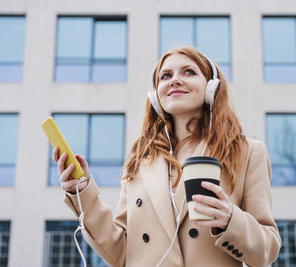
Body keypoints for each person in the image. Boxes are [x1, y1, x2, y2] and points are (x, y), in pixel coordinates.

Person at [53, 46, 281, 267]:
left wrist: (231, 220)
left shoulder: (248, 152)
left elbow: (267, 250)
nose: (174, 80)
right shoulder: (140, 159)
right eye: (166, 76)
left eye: (189, 72)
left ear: (211, 87)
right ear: (155, 95)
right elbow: (121, 253)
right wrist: (81, 193)